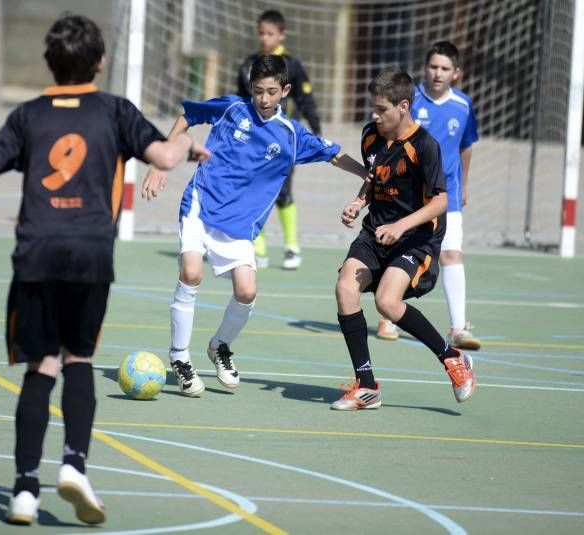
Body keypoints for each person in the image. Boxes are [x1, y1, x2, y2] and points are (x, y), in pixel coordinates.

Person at [0, 13, 208, 525]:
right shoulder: (115, 111)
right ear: (101, 62)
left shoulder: (29, 115)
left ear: (49, 63)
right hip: (89, 254)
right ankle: (75, 467)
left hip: (36, 253)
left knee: (41, 367)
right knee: (79, 359)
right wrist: (187, 146)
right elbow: (164, 158)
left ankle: (22, 490)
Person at [142, 54, 368, 397]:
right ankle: (179, 358)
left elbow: (333, 154)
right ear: (251, 88)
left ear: (285, 91)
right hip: (202, 204)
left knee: (246, 291)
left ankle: (219, 346)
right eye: (258, 90)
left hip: (239, 224)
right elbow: (188, 116)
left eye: (271, 91)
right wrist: (161, 161)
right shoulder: (233, 108)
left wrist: (367, 174)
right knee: (191, 273)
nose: (263, 98)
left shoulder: (292, 135)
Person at [332, 67, 476, 411]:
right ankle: (366, 385)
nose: (374, 115)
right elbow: (373, 178)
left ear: (403, 107)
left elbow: (441, 200)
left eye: (381, 109)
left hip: (416, 238)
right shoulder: (371, 135)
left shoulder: (425, 146)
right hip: (375, 230)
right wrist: (358, 201)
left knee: (387, 302)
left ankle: (451, 357)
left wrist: (401, 226)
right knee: (345, 288)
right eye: (373, 108)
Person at [376, 41, 480, 350]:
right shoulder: (409, 101)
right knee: (398, 249)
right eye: (433, 66)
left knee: (451, 254)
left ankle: (459, 327)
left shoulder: (462, 106)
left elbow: (466, 146)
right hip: (409, 195)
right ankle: (388, 313)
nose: (438, 73)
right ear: (425, 68)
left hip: (444, 194)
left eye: (445, 68)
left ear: (456, 73)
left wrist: (464, 185)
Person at [236, 9, 322, 270]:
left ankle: (291, 246)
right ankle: (258, 248)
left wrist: (316, 131)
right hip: (253, 139)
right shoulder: (249, 64)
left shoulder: (291, 65)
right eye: (261, 33)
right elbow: (240, 102)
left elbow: (306, 100)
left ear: (281, 34)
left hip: (283, 139)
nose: (264, 38)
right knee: (251, 188)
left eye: (270, 33)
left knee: (283, 191)